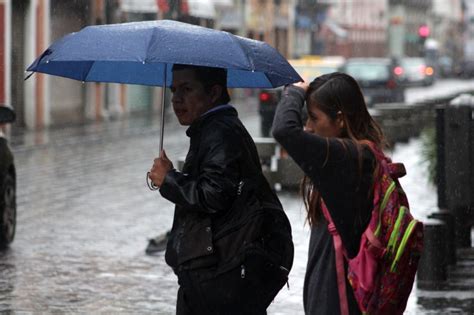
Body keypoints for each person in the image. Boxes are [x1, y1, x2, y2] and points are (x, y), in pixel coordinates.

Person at [148, 64, 293, 315]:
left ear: (213, 93)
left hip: (221, 273)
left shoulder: (220, 133)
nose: (176, 99)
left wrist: (169, 179)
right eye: (173, 90)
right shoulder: (211, 129)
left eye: (187, 89)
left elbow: (214, 195)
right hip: (219, 273)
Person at [272, 72, 386, 315]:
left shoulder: (345, 158)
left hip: (338, 303)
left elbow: (284, 130)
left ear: (340, 119)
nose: (308, 128)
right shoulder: (356, 156)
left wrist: (294, 92)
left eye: (314, 118)